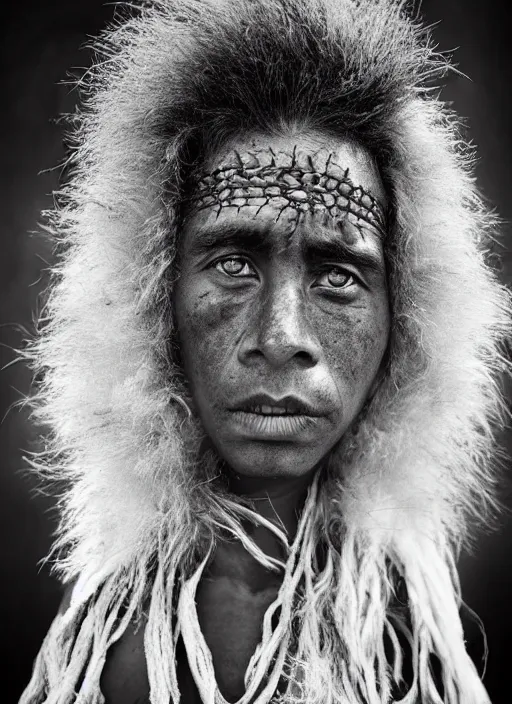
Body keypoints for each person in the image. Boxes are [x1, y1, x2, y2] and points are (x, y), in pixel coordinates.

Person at [19, 0, 510, 702]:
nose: (282, 338)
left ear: (409, 315)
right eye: (233, 265)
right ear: (151, 295)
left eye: (337, 275)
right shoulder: (102, 650)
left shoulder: (413, 643)